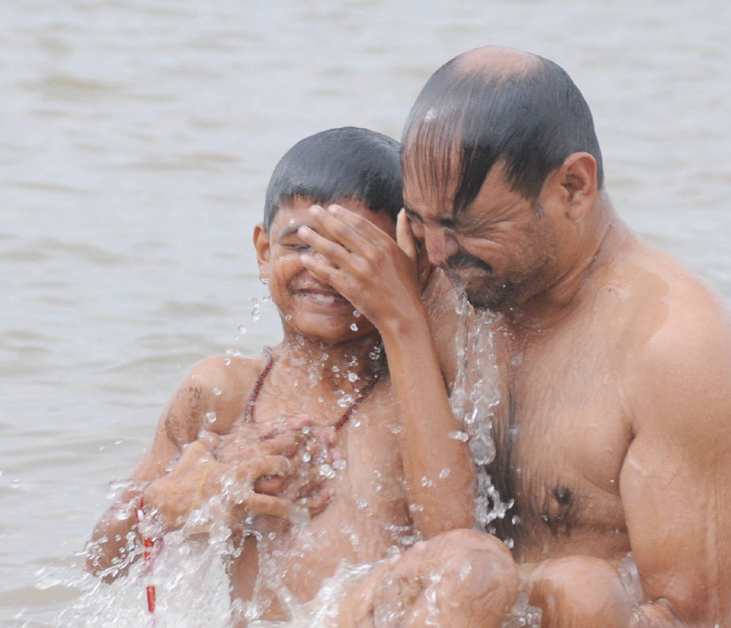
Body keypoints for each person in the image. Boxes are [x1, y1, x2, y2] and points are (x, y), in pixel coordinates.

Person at [300, 47, 731, 627]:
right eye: (422, 221)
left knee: (583, 592)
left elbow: (696, 620)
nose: (440, 253)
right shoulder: (433, 284)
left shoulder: (677, 349)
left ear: (574, 187)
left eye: (467, 225)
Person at [85, 127, 517, 626]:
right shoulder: (224, 392)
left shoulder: (423, 394)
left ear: (412, 269)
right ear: (264, 251)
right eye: (301, 246)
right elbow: (102, 560)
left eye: (352, 253)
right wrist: (167, 502)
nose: (323, 270)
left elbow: (455, 537)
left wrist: (404, 323)